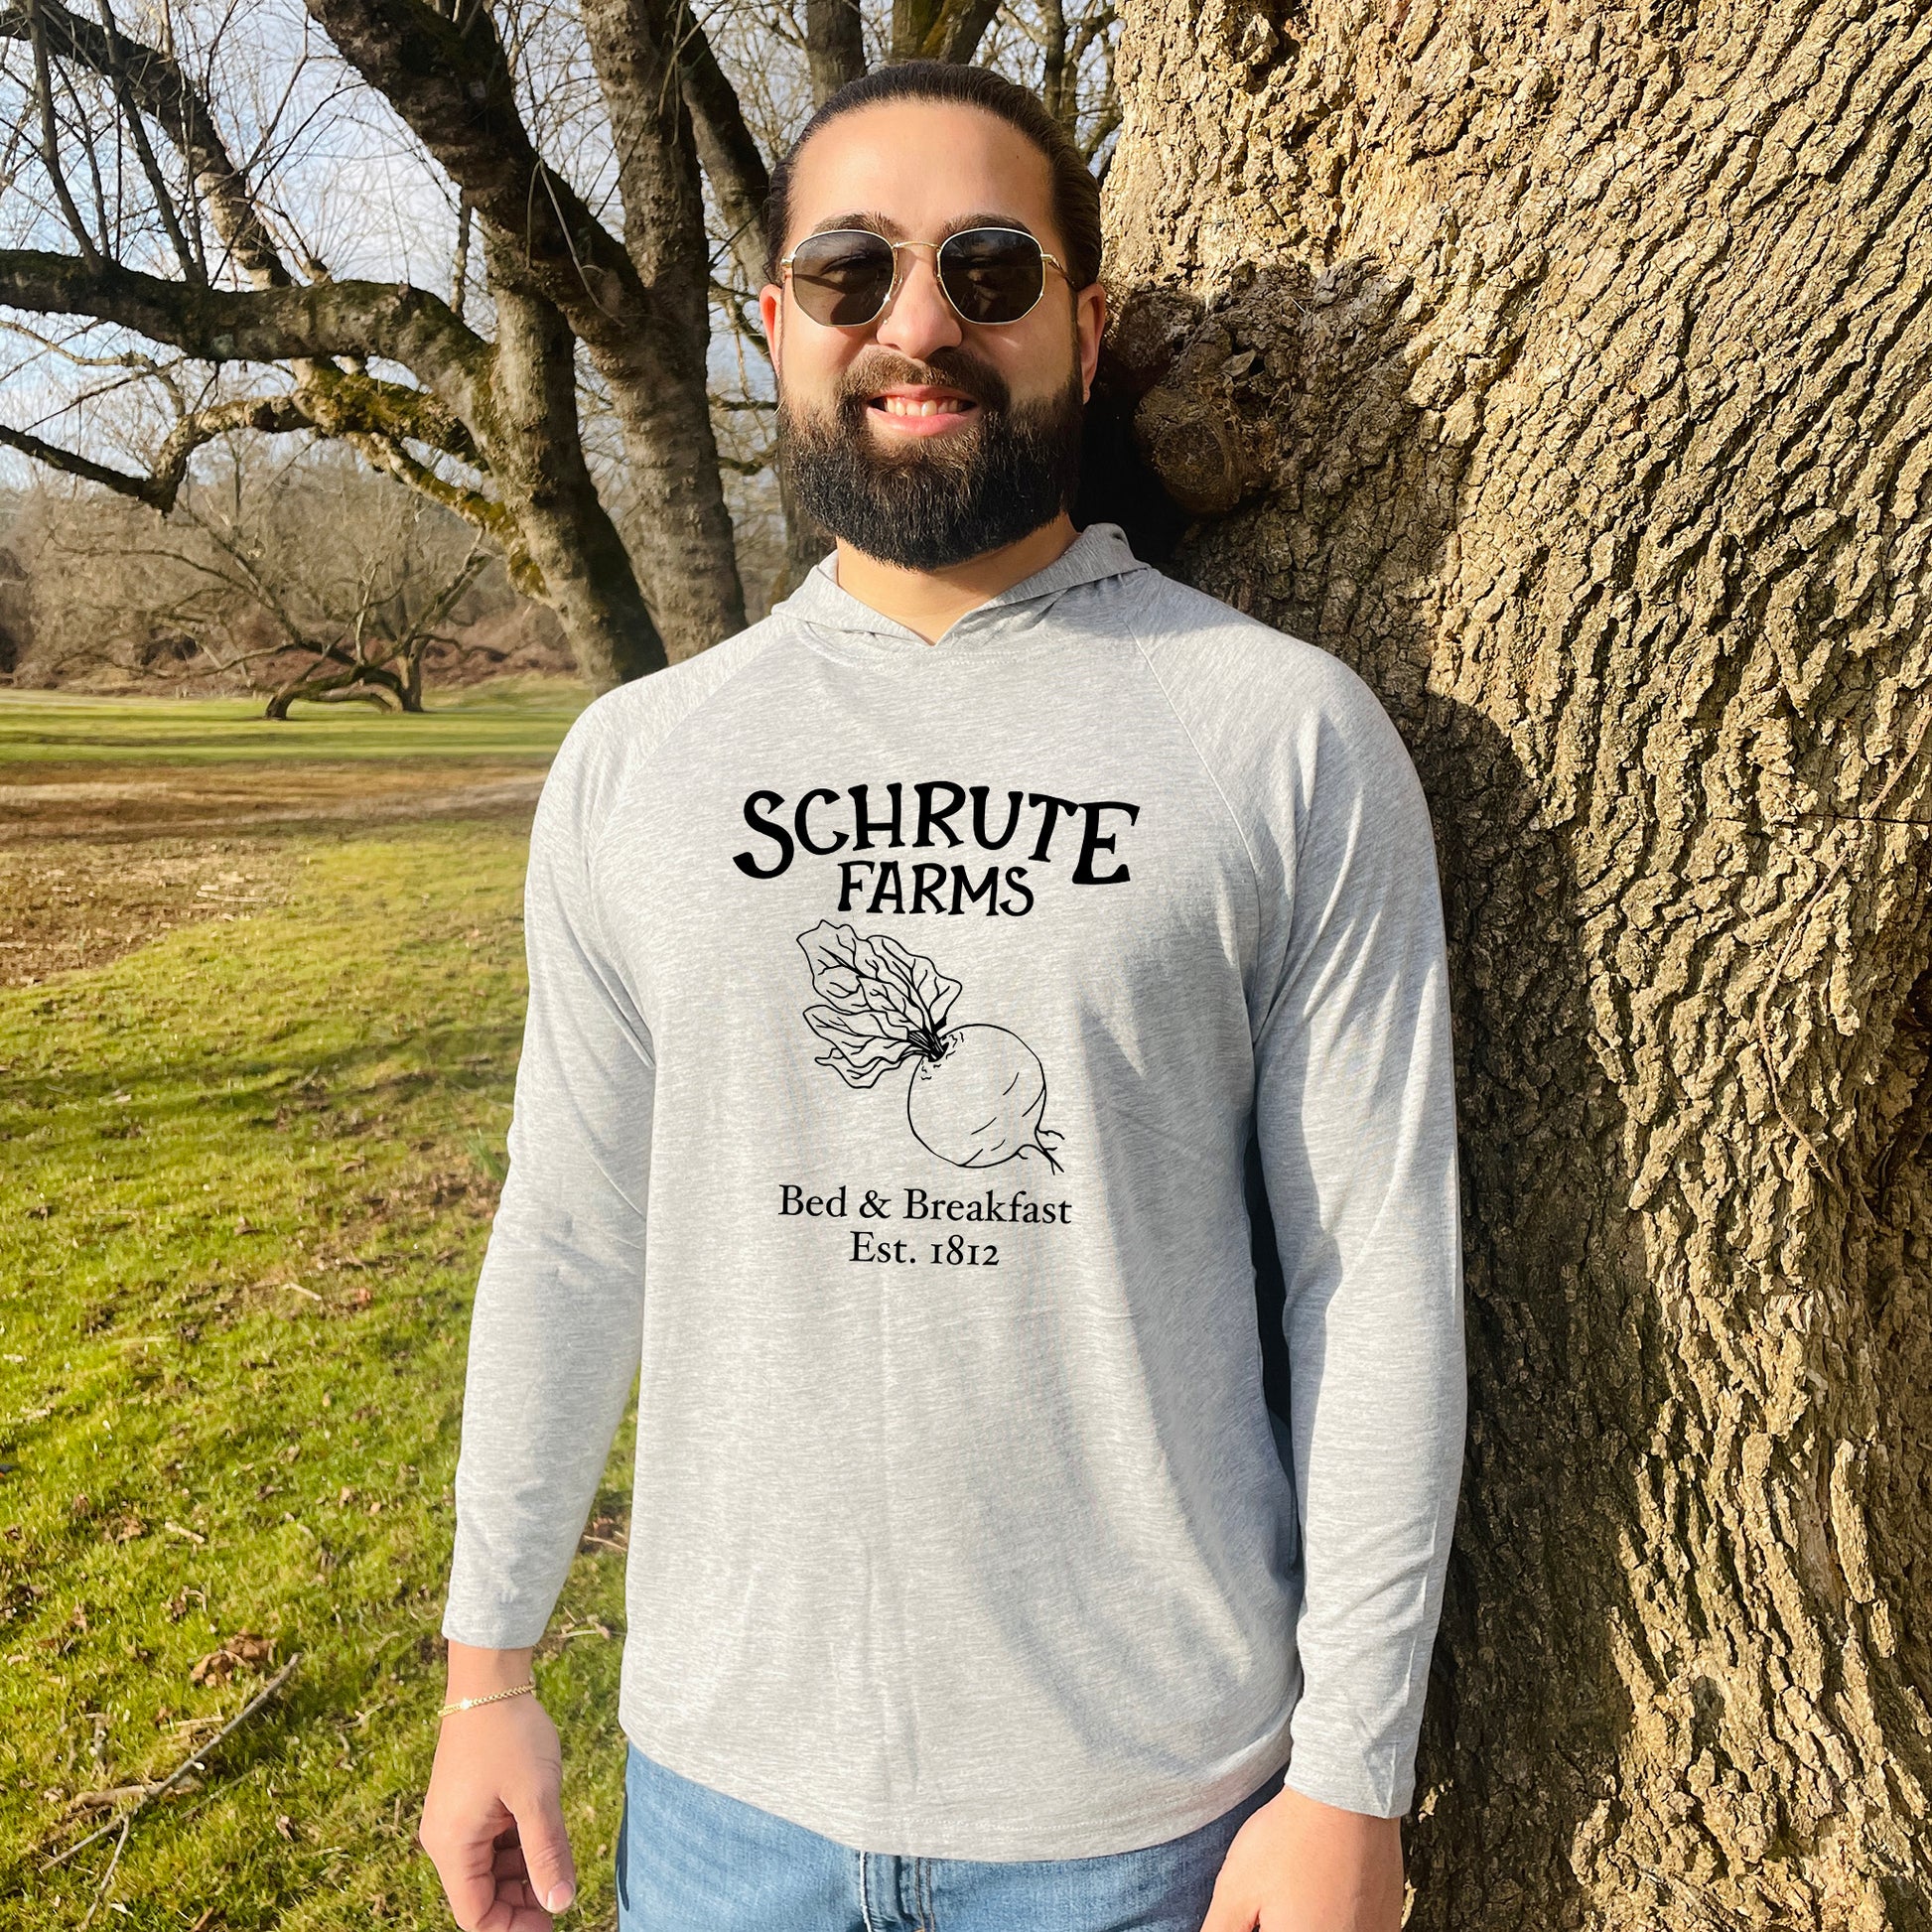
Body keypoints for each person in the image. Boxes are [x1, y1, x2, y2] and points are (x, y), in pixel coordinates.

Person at [418, 58, 1466, 1932]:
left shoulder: (1280, 738)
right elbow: (570, 1237)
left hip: (1154, 1811)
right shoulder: (637, 763)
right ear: (776, 326)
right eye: (850, 273)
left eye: (987, 268)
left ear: (1084, 318)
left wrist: (1349, 1774)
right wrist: (487, 1670)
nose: (918, 324)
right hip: (721, 1796)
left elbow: (1372, 1268)